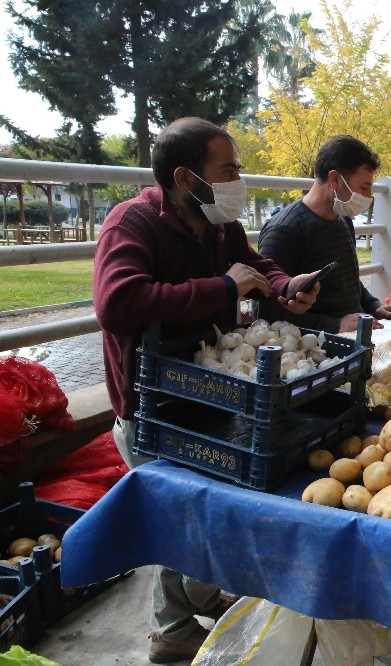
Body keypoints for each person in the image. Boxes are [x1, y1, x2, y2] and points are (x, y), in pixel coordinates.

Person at [93, 117, 322, 664]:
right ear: (184, 177)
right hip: (151, 399)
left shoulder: (218, 226)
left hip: (207, 387)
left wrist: (286, 287)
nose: (238, 179)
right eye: (229, 169)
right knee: (175, 511)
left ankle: (197, 593)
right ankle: (171, 632)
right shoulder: (134, 223)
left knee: (202, 503)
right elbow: (117, 303)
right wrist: (221, 287)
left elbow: (255, 267)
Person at [258, 135, 391, 333]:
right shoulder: (284, 230)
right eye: (363, 187)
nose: (367, 197)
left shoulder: (343, 218)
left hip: (356, 337)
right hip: (318, 349)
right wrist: (335, 326)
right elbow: (268, 315)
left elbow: (349, 282)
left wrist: (375, 307)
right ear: (335, 179)